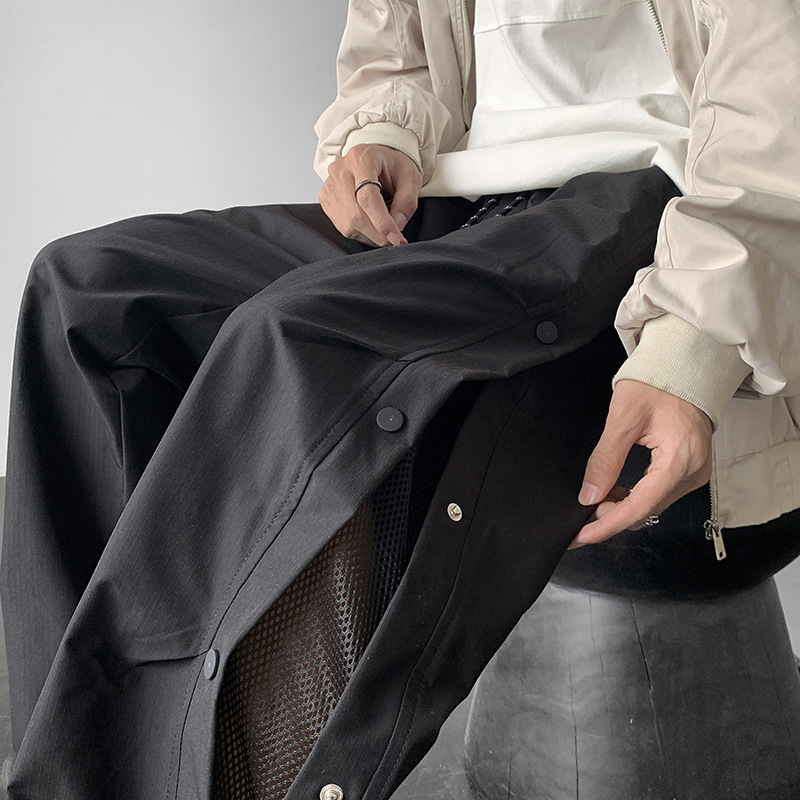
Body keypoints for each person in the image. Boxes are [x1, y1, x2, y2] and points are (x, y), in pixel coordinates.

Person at [2, 0, 799, 798]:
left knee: (292, 338)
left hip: (654, 202)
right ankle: (69, 767)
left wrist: (694, 345)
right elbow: (397, 52)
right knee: (85, 293)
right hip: (467, 197)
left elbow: (774, 98)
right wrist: (381, 135)